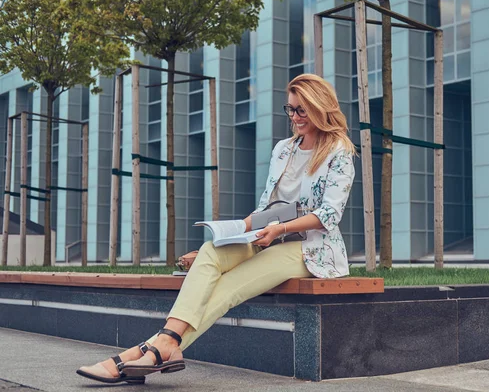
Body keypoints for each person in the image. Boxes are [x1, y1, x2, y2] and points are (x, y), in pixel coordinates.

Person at [76, 73, 356, 384]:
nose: (294, 117)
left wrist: (280, 230)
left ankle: (142, 352)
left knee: (229, 284)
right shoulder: (283, 149)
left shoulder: (338, 150)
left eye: (301, 110)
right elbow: (266, 207)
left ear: (320, 107)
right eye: (289, 109)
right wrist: (236, 232)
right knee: (210, 251)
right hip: (268, 235)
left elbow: (329, 214)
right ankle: (164, 347)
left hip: (311, 249)